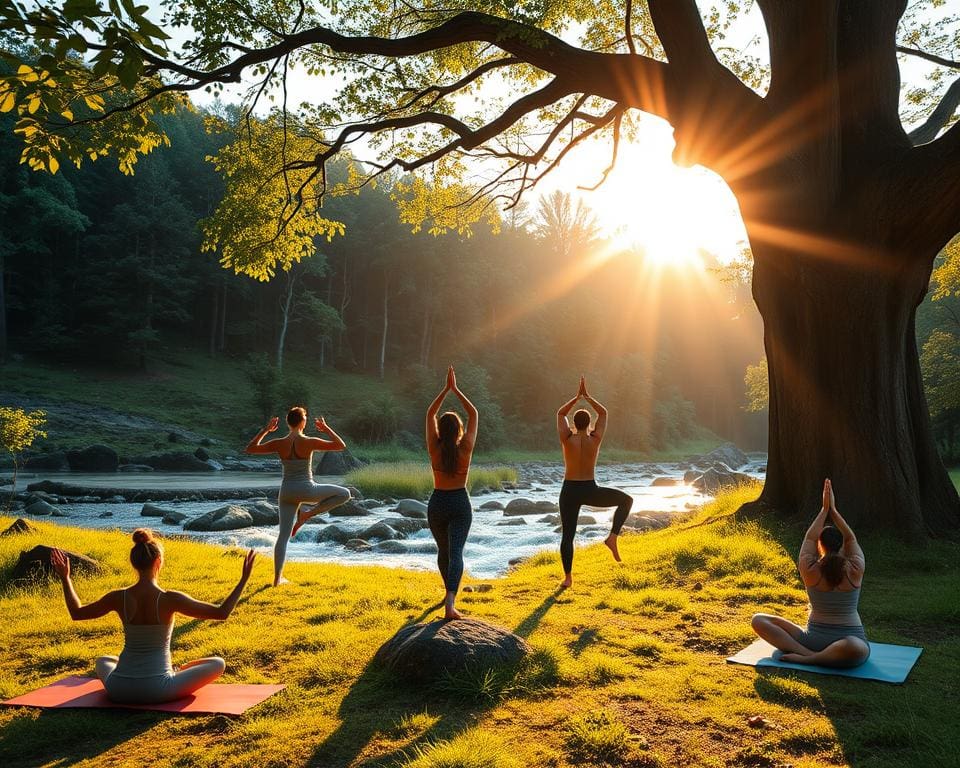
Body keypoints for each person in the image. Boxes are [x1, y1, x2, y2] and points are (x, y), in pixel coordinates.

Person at [50, 529, 255, 704]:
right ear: (158, 561)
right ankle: (178, 669)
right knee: (218, 663)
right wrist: (244, 579)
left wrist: (65, 578)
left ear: (134, 563)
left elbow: (77, 613)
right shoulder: (170, 599)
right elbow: (222, 612)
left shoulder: (118, 597)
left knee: (103, 659)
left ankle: (169, 670)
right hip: (158, 689)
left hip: (118, 689)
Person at [751, 478, 870, 667]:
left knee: (758, 620)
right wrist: (834, 511)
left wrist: (824, 510)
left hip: (811, 640)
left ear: (820, 546)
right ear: (842, 547)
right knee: (858, 648)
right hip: (847, 640)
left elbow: (809, 537)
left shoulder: (810, 568)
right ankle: (813, 657)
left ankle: (806, 656)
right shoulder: (855, 568)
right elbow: (850, 538)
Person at [245, 406, 352, 586]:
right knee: (345, 493)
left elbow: (250, 449)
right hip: (307, 490)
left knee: (282, 537)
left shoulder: (279, 443)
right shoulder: (309, 441)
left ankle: (277, 579)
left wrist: (265, 430)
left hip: (286, 492)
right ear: (303, 422)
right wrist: (326, 429)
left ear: (288, 423)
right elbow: (340, 445)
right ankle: (308, 514)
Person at [556, 376, 633, 587]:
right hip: (590, 488)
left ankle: (568, 578)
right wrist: (587, 397)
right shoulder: (595, 439)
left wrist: (576, 397)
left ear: (574, 423)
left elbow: (560, 413)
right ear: (590, 424)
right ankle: (613, 537)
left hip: (570, 489)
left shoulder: (567, 439)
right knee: (626, 500)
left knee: (568, 536)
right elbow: (604, 413)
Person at [425, 365, 479, 620]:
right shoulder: (465, 447)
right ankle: (450, 602)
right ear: (458, 431)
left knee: (443, 552)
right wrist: (456, 390)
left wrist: (445, 390)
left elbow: (430, 413)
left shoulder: (434, 448)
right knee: (456, 552)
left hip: (437, 502)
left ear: (440, 431)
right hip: (459, 502)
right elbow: (473, 413)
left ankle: (447, 595)